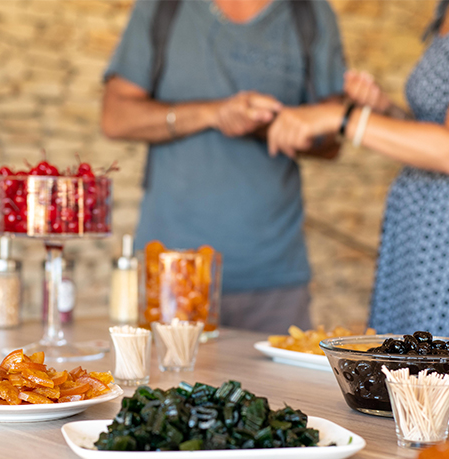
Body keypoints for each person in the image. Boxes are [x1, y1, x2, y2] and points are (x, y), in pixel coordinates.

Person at [266, 0, 449, 371]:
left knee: (447, 381)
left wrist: (342, 116)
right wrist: (384, 110)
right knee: (401, 376)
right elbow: (436, 126)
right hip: (418, 227)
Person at [101, 0, 346, 334]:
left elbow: (333, 139)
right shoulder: (161, 8)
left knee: (282, 388)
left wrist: (274, 125)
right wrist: (213, 113)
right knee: (166, 385)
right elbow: (115, 117)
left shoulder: (310, 13)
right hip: (172, 273)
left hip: (274, 278)